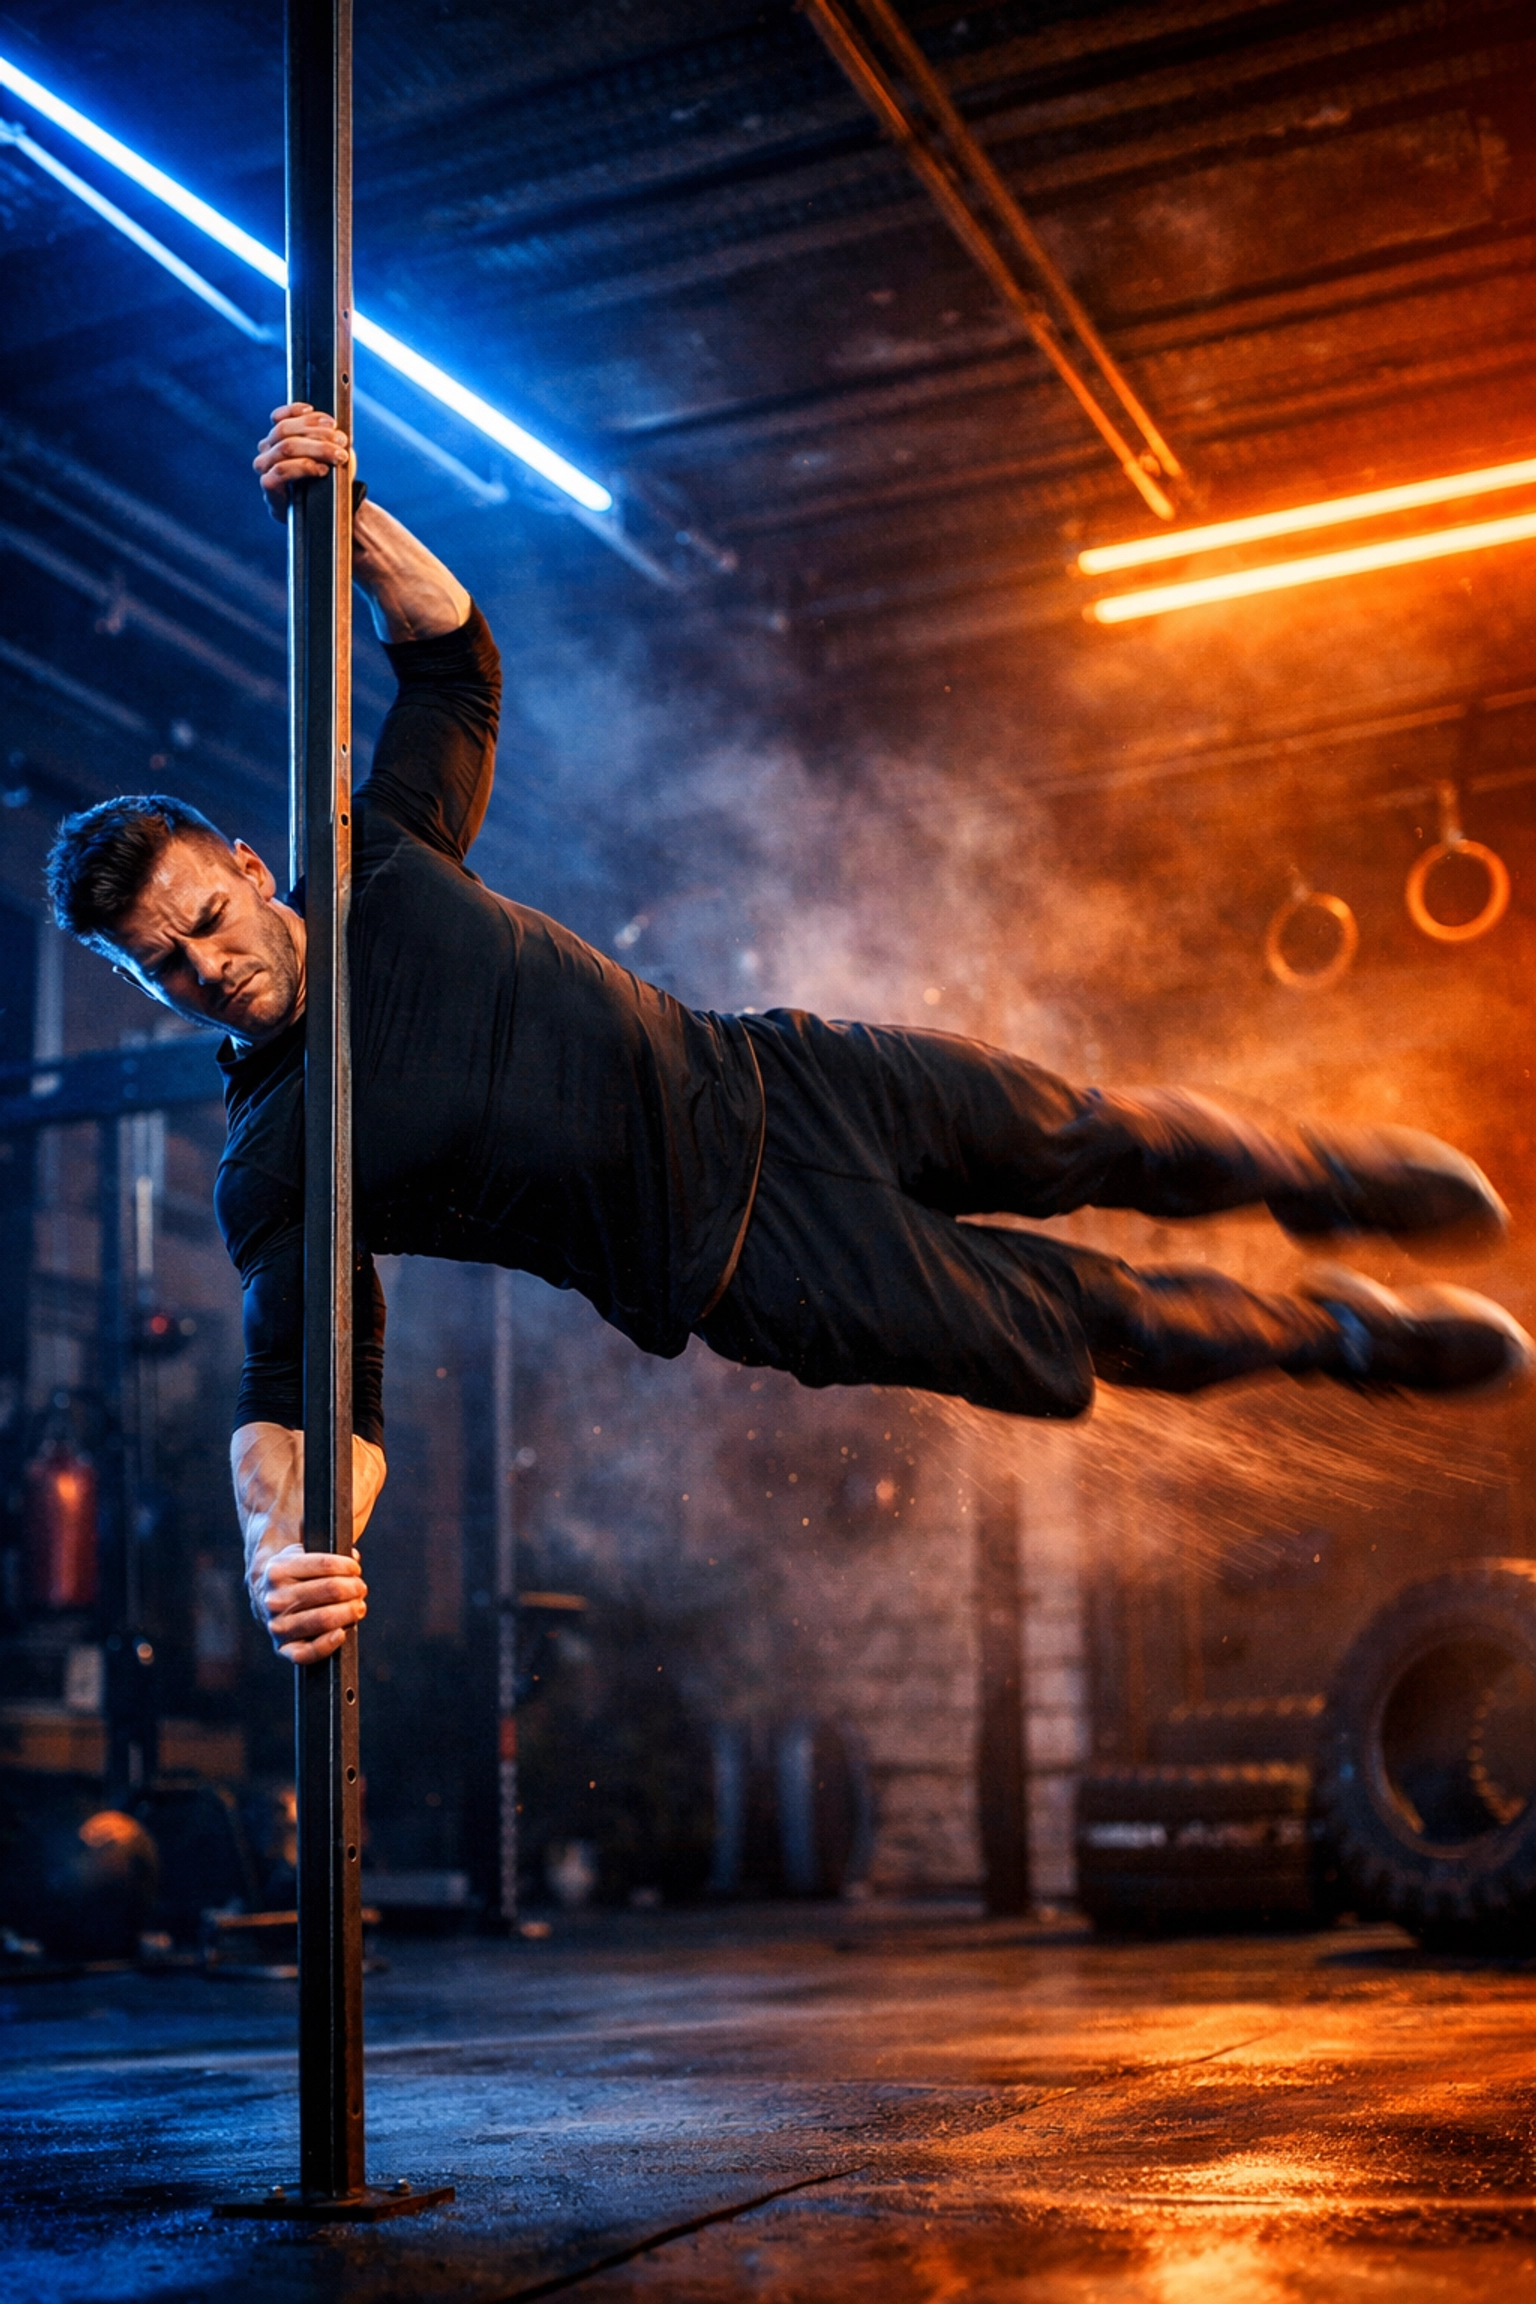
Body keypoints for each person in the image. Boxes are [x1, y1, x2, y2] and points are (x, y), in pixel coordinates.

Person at [45, 406, 1532, 1669]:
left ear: (251, 866)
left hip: (786, 1074)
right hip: (752, 1264)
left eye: (208, 918)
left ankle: (1316, 1175)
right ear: (139, 982)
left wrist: (345, 509)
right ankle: (1351, 1340)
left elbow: (453, 666)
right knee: (1093, 1323)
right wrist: (280, 1551)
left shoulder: (376, 859)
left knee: (1088, 1132)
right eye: (164, 966)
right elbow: (304, 1406)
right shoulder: (278, 1164)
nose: (208, 966)